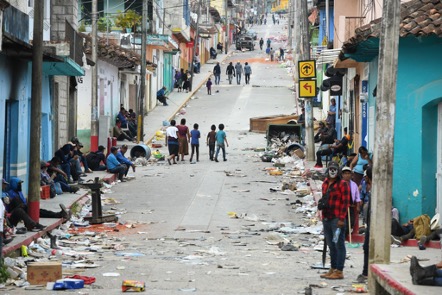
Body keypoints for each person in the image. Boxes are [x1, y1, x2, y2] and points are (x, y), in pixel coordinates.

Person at [319, 162, 351, 280]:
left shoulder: (343, 184)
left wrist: (342, 219)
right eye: (331, 169)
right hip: (326, 218)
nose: (332, 171)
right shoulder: (325, 183)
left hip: (337, 219)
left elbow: (345, 202)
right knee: (331, 245)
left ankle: (339, 270)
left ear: (338, 171)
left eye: (334, 169)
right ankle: (332, 268)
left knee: (339, 245)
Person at [356, 167, 372, 283]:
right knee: (366, 247)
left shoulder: (375, 190)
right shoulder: (367, 188)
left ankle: (367, 272)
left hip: (373, 225)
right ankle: (366, 272)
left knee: (368, 247)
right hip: (369, 223)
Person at [341, 166, 361, 235]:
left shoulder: (354, 184)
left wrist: (358, 206)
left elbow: (357, 196)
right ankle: (344, 235)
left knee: (351, 222)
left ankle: (346, 234)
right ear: (342, 175)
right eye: (345, 173)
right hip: (342, 207)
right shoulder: (339, 184)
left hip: (351, 206)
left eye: (348, 173)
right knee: (343, 222)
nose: (347, 175)